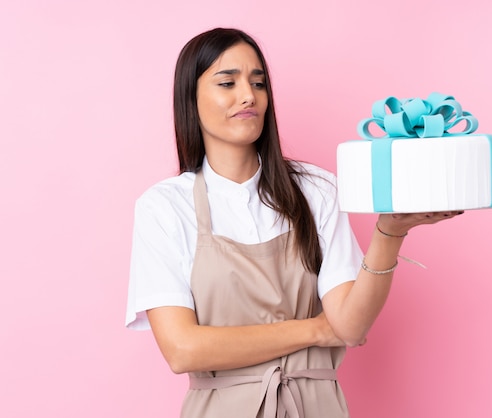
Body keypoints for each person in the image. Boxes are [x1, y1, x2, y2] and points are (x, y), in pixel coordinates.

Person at [125, 27, 462, 418]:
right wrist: (316, 330)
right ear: (190, 99)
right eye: (227, 82)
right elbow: (183, 349)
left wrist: (390, 231)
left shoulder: (317, 189)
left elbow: (350, 326)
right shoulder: (165, 207)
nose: (248, 95)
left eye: (258, 82)